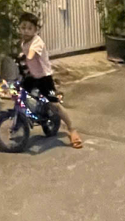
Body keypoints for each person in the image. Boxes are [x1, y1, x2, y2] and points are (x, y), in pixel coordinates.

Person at [18, 12, 82, 148]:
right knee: (19, 91)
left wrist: (24, 57)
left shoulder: (37, 42)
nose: (26, 31)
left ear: (35, 30)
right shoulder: (24, 41)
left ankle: (72, 130)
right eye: (23, 27)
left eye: (29, 28)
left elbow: (30, 55)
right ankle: (27, 114)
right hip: (33, 76)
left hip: (44, 78)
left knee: (55, 105)